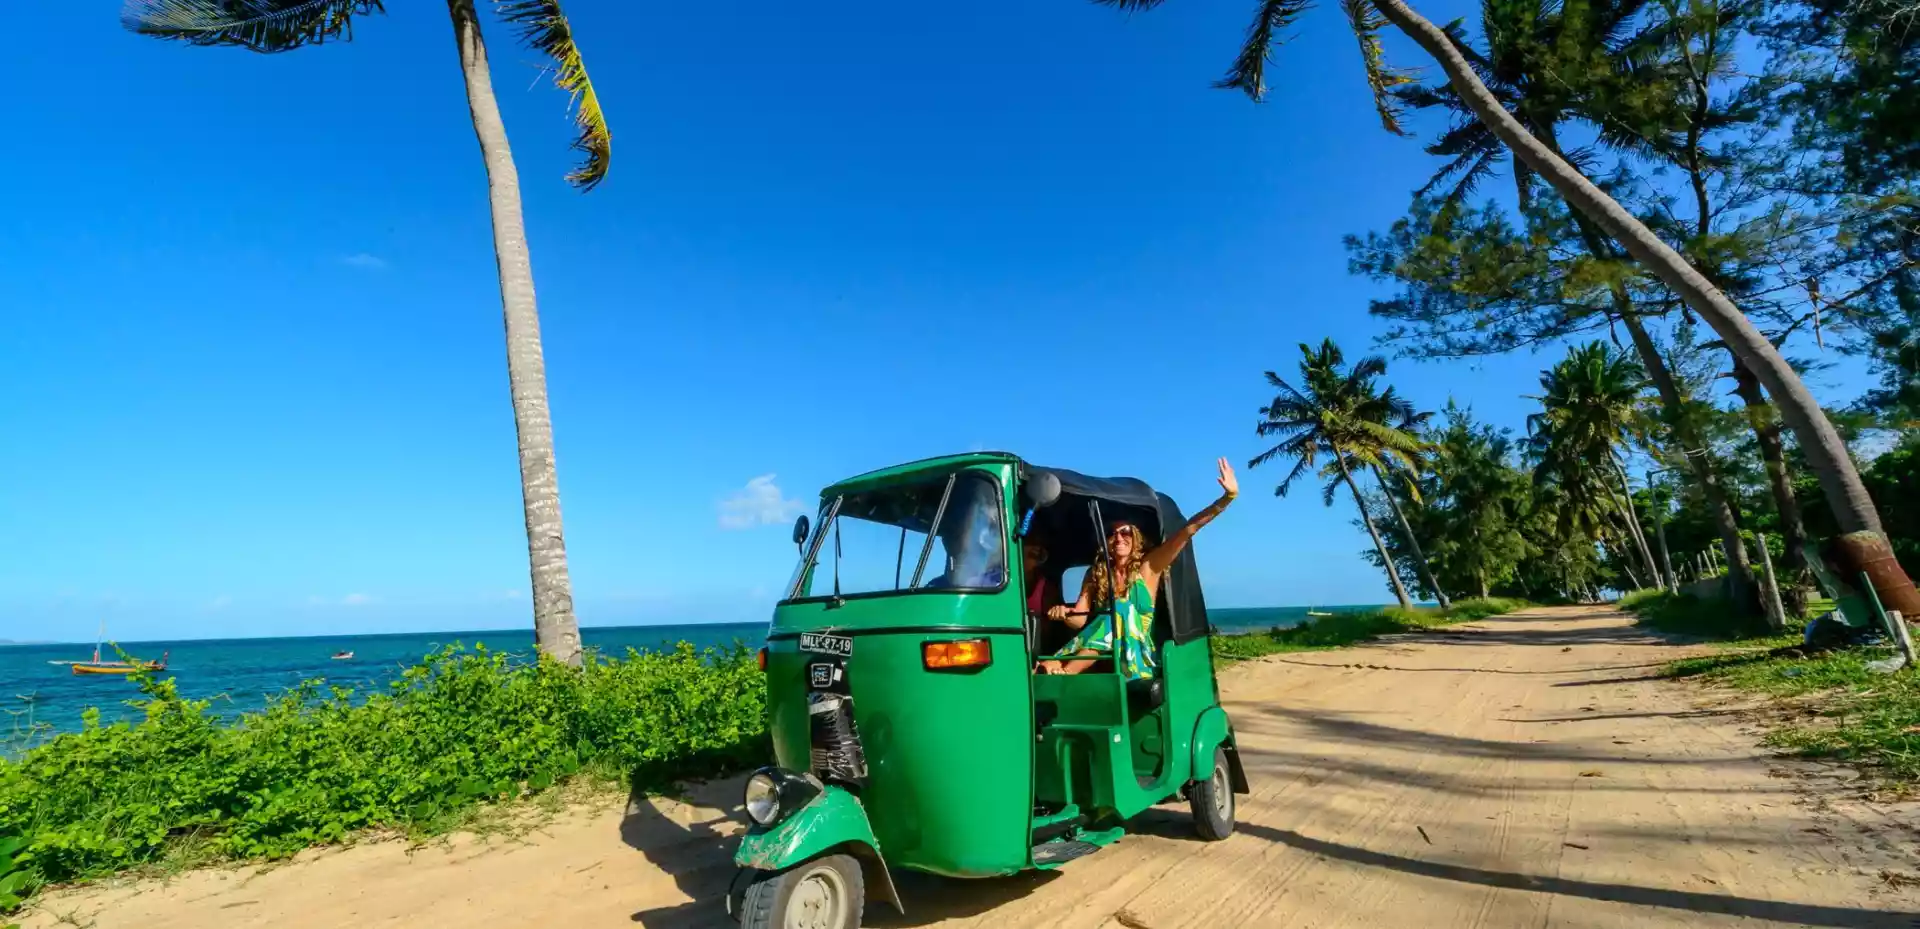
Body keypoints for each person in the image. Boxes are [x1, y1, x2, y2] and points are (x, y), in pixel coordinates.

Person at [1038, 459, 1239, 679]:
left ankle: (1068, 669)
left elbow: (1188, 530)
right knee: (1051, 661)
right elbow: (1080, 619)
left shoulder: (1148, 568)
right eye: (1112, 534)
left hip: (1138, 658)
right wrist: (1064, 614)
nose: (1119, 538)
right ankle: (1053, 667)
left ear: (1135, 538)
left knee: (1120, 611)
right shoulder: (1097, 573)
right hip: (1104, 654)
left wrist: (1226, 499)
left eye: (1125, 532)